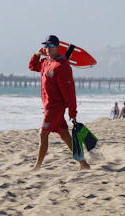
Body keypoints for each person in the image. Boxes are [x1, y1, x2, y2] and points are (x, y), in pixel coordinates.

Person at [28, 35, 90, 171]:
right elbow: (32, 66)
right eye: (45, 46)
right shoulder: (45, 63)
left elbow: (70, 92)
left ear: (57, 47)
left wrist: (72, 112)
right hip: (48, 106)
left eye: (50, 46)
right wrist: (37, 54)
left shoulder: (62, 66)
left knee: (43, 134)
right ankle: (84, 164)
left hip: (55, 108)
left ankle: (37, 167)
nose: (47, 49)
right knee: (64, 135)